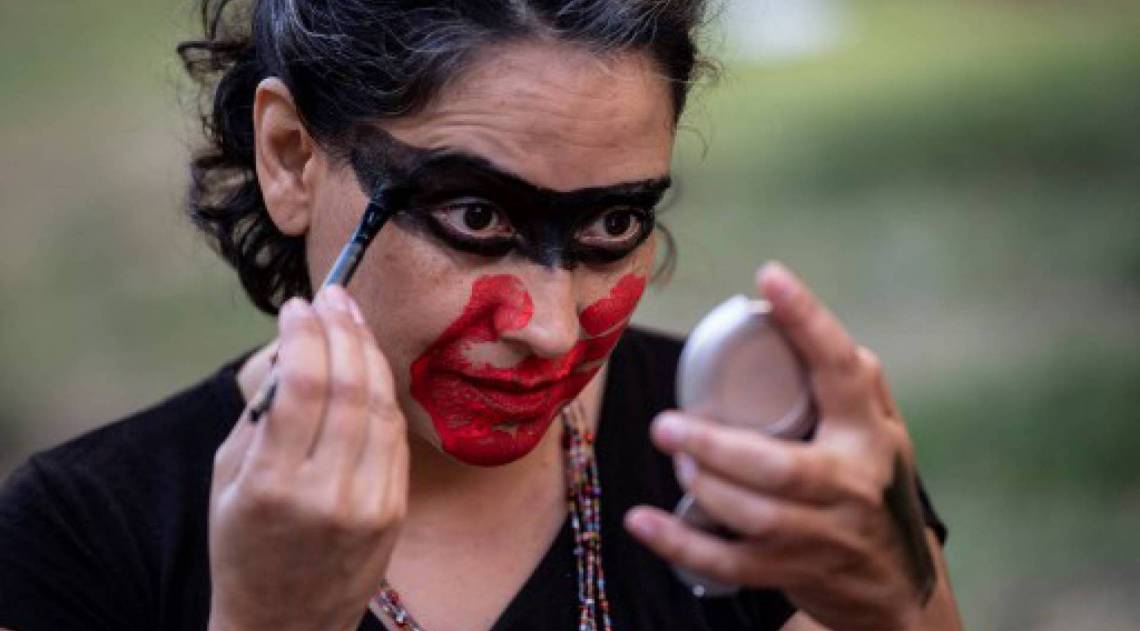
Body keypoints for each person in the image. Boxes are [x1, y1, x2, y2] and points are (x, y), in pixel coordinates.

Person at [0, 1, 963, 630]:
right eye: (474, 216)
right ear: (291, 156)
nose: (550, 327)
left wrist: (892, 602)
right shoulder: (82, 540)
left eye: (612, 223)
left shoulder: (766, 478)